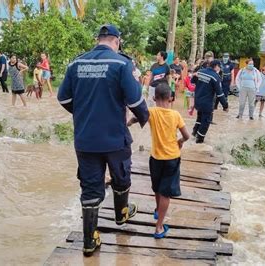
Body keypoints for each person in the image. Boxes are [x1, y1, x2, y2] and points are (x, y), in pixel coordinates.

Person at [57, 24, 149, 257]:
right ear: (116, 42)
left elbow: (64, 98)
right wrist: (144, 118)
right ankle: (122, 213)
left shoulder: (75, 64)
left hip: (85, 139)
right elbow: (136, 102)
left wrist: (82, 113)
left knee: (90, 187)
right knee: (121, 175)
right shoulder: (121, 64)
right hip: (114, 138)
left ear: (98, 39)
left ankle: (90, 240)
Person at [127, 83, 190, 239]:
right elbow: (187, 136)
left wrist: (127, 123)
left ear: (154, 98)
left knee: (157, 187)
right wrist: (180, 141)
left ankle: (157, 210)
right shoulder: (176, 115)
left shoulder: (151, 112)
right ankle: (159, 227)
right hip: (172, 158)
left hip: (155, 158)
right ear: (171, 98)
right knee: (165, 193)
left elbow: (136, 117)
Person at [192, 60, 227, 143]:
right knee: (206, 121)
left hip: (198, 100)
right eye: (219, 67)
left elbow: (192, 81)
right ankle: (199, 140)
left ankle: (194, 133)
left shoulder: (200, 72)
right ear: (216, 66)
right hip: (207, 103)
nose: (220, 68)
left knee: (199, 117)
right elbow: (220, 94)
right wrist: (225, 105)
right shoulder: (215, 77)